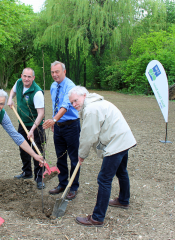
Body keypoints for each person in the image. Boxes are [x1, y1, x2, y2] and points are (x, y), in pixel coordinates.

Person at [68, 86, 137, 227]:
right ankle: (123, 200)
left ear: (84, 96)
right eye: (72, 103)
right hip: (124, 139)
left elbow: (88, 136)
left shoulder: (91, 109)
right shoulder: (96, 102)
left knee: (104, 179)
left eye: (76, 100)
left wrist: (81, 155)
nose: (74, 105)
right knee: (121, 171)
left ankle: (97, 218)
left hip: (117, 142)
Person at [43, 61, 80, 200]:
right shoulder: (53, 86)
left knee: (74, 158)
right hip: (58, 126)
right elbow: (56, 105)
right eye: (52, 72)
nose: (54, 75)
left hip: (71, 126)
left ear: (64, 71)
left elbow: (65, 106)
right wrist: (55, 121)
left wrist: (54, 119)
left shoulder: (71, 87)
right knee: (60, 157)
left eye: (57, 72)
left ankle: (74, 187)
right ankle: (62, 183)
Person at [8, 68, 45, 190]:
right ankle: (27, 172)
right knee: (23, 148)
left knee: (37, 149)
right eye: (25, 76)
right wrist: (10, 98)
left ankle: (39, 178)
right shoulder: (19, 82)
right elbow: (12, 91)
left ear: (33, 78)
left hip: (36, 125)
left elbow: (41, 114)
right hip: (22, 123)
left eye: (29, 77)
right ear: (21, 76)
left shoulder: (37, 92)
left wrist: (33, 129)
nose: (26, 79)